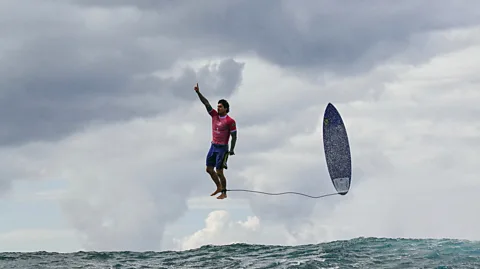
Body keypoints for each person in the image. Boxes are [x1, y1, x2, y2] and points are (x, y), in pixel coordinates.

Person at [194, 83, 237, 199]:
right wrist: (198, 93)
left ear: (226, 109)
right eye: (217, 106)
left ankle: (224, 192)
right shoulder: (214, 115)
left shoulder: (230, 121)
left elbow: (234, 136)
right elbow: (206, 103)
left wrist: (232, 150)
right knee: (208, 169)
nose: (218, 108)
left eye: (220, 107)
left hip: (222, 148)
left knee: (219, 171)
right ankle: (218, 187)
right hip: (213, 146)